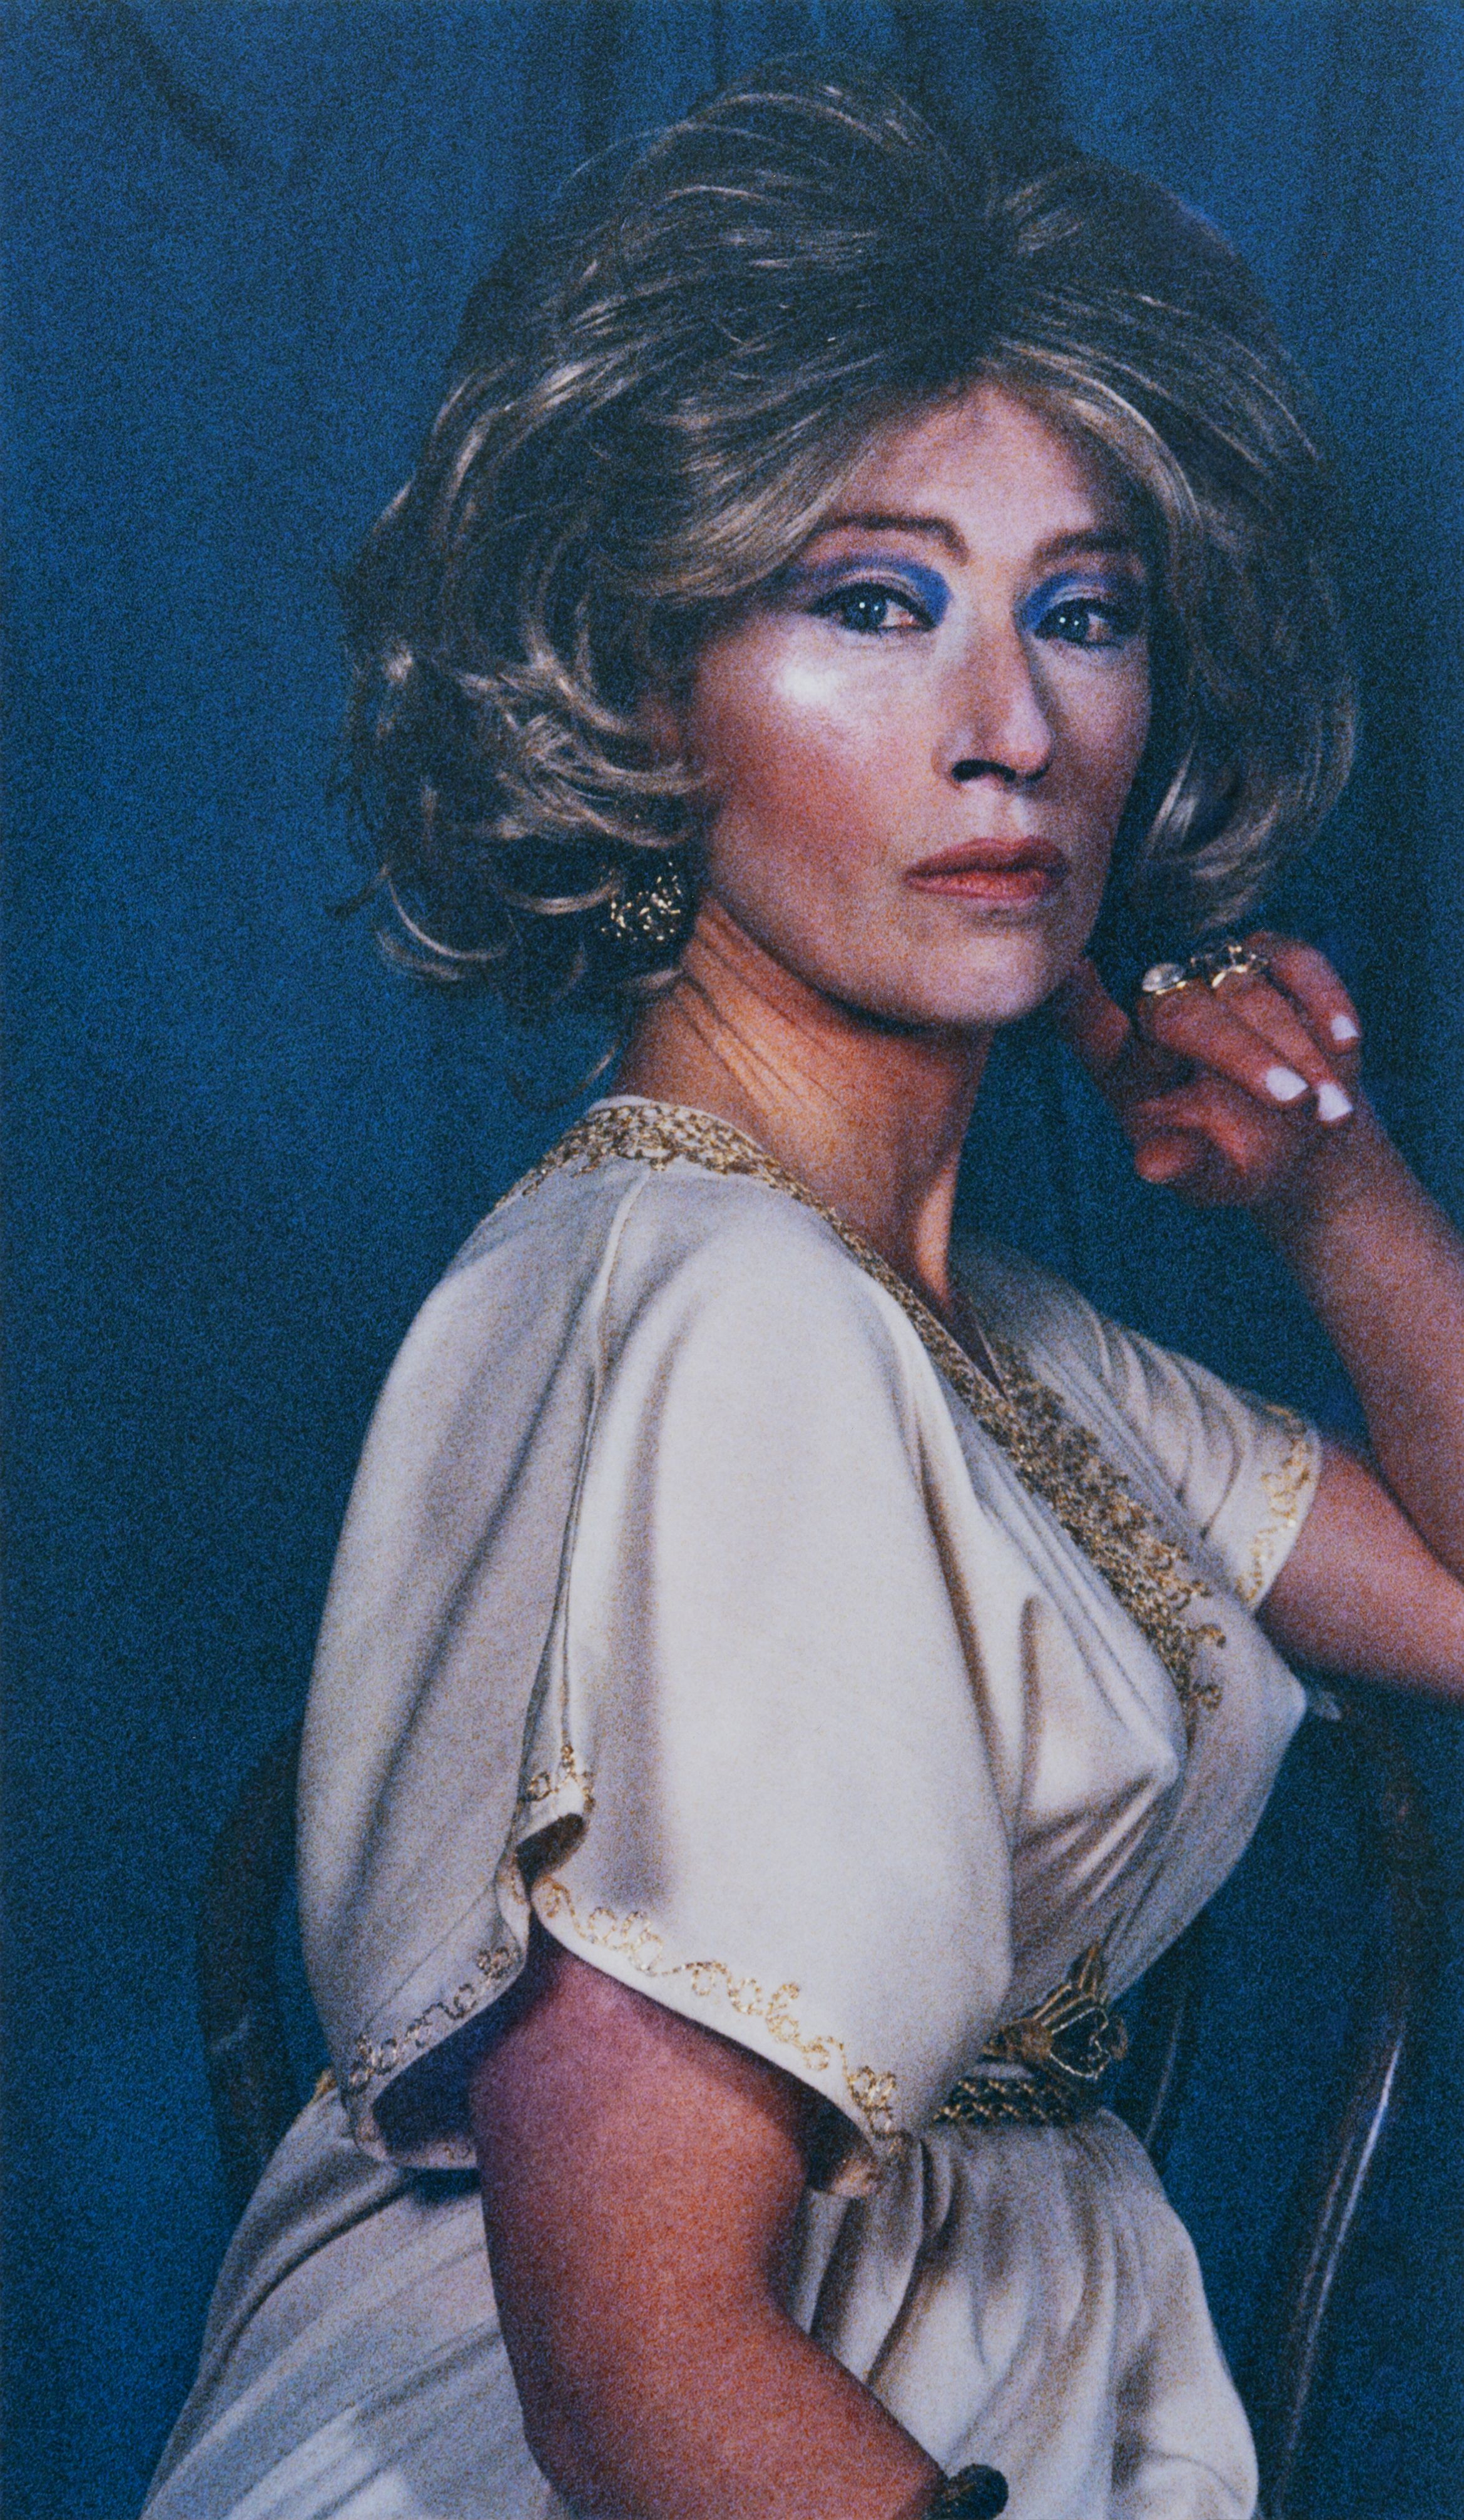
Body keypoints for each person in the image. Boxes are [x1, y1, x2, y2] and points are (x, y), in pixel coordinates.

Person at [143, 63, 1464, 2520]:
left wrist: (1325, 1181)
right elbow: (640, 2361)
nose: (1013, 731)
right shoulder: (718, 1313)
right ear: (648, 688)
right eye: (873, 602)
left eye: (1084, 614)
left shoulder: (995, 1341)